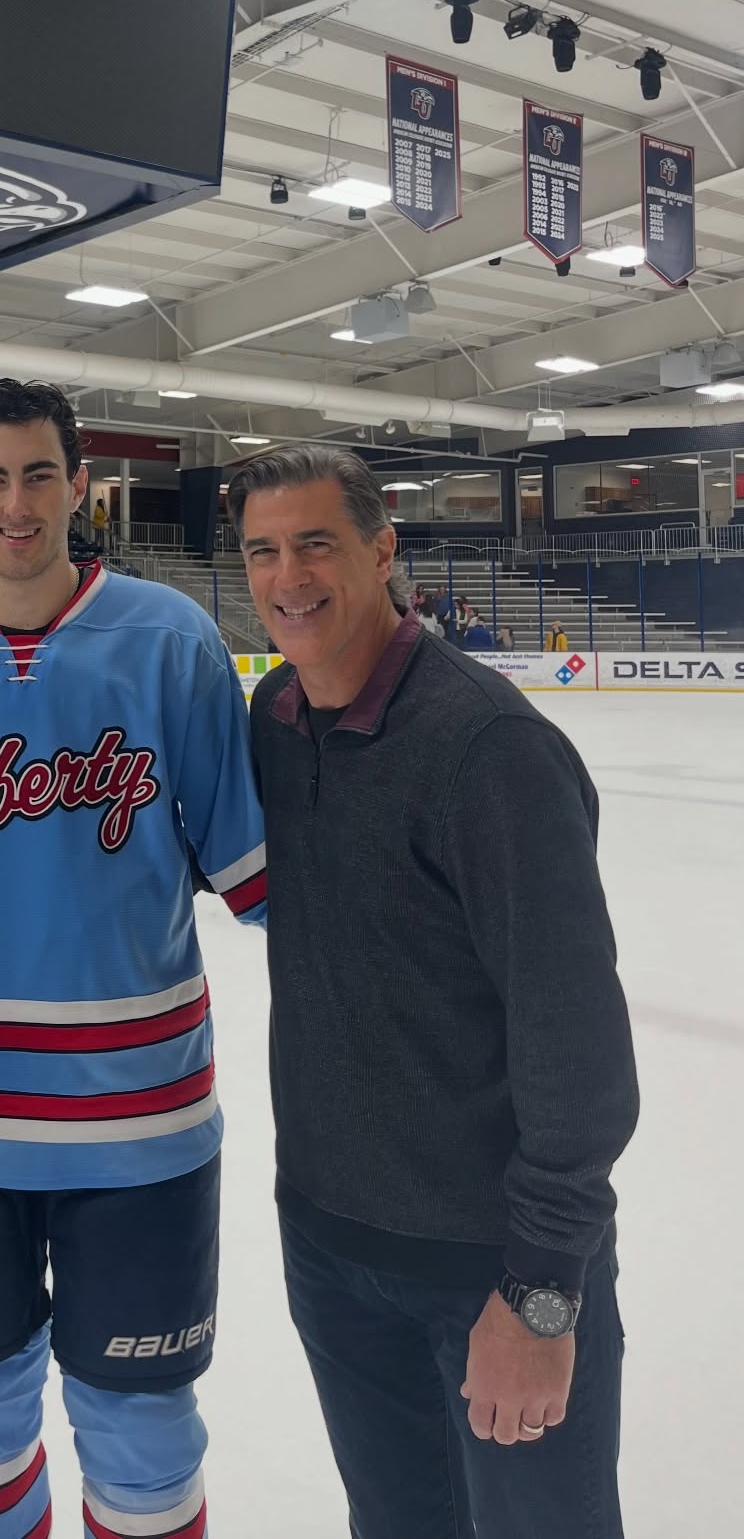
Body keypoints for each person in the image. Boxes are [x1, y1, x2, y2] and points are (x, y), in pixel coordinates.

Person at [0, 378, 267, 1539]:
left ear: (83, 485)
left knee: (143, 1418)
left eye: (39, 475)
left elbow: (264, 879)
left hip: (138, 1116)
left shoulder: (173, 639)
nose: (15, 502)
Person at [230, 444, 637, 1539]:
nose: (289, 575)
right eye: (263, 549)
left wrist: (544, 1289)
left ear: (382, 548)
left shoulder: (486, 748)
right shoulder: (275, 717)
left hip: (488, 1267)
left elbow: (579, 1048)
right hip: (330, 1243)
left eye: (317, 542)